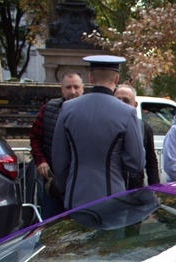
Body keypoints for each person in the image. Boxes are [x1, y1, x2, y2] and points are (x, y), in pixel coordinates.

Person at [52, 56, 145, 210]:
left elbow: (59, 159)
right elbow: (137, 162)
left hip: (76, 195)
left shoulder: (68, 108)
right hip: (113, 196)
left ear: (90, 78)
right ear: (116, 79)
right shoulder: (127, 112)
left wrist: (65, 190)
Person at [28, 71, 83, 218]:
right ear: (61, 89)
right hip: (53, 184)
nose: (73, 91)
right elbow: (35, 138)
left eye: (76, 87)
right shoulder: (48, 110)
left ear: (83, 88)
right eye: (68, 87)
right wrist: (41, 161)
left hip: (81, 184)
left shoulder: (89, 112)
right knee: (52, 227)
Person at [114, 84, 160, 185]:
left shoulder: (144, 128)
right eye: (117, 100)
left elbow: (151, 161)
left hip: (135, 189)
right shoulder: (105, 126)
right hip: (111, 188)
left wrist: (155, 189)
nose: (121, 104)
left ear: (135, 105)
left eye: (126, 101)